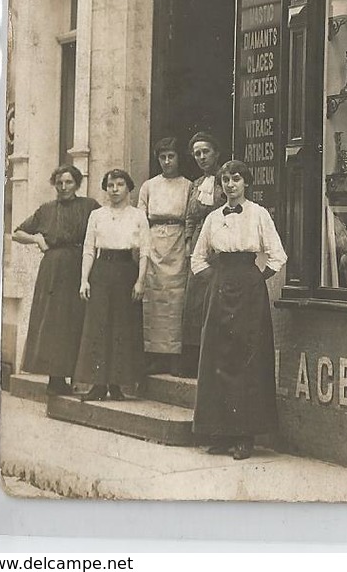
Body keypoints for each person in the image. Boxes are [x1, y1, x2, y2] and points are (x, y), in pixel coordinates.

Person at [191, 160, 287, 460]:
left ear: (246, 183)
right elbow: (198, 258)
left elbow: (277, 255)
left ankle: (245, 436)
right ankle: (220, 432)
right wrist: (216, 281)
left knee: (248, 358)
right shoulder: (212, 218)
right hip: (220, 286)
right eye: (225, 180)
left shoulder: (258, 214)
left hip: (249, 289)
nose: (230, 185)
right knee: (218, 356)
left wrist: (256, 280)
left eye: (236, 179)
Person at [11, 166, 100, 395]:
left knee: (76, 319)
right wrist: (37, 239)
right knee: (54, 322)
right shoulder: (46, 209)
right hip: (53, 269)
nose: (63, 187)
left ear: (77, 184)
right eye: (59, 183)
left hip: (80, 267)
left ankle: (76, 376)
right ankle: (55, 379)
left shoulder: (89, 206)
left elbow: (104, 226)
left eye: (69, 182)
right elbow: (17, 232)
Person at [74, 169, 150, 401]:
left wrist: (140, 280)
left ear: (128, 188)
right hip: (101, 271)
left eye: (119, 184)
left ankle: (117, 384)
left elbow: (145, 251)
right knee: (98, 325)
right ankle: (98, 384)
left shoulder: (138, 215)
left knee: (122, 326)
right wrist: (84, 279)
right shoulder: (97, 215)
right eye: (110, 185)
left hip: (127, 270)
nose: (114, 189)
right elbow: (89, 249)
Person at [137, 137, 192, 375]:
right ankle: (154, 355)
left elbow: (190, 216)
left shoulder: (188, 185)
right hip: (153, 241)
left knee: (176, 299)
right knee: (154, 299)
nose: (167, 162)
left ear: (179, 158)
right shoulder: (149, 186)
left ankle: (174, 356)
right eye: (163, 157)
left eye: (171, 156)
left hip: (178, 241)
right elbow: (140, 219)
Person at [182, 131, 225, 375]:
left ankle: (215, 361)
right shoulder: (197, 185)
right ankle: (194, 361)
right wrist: (189, 242)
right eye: (197, 153)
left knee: (215, 300)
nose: (201, 157)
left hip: (219, 243)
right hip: (199, 244)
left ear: (216, 153)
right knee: (194, 301)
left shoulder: (226, 179)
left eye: (205, 151)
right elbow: (189, 216)